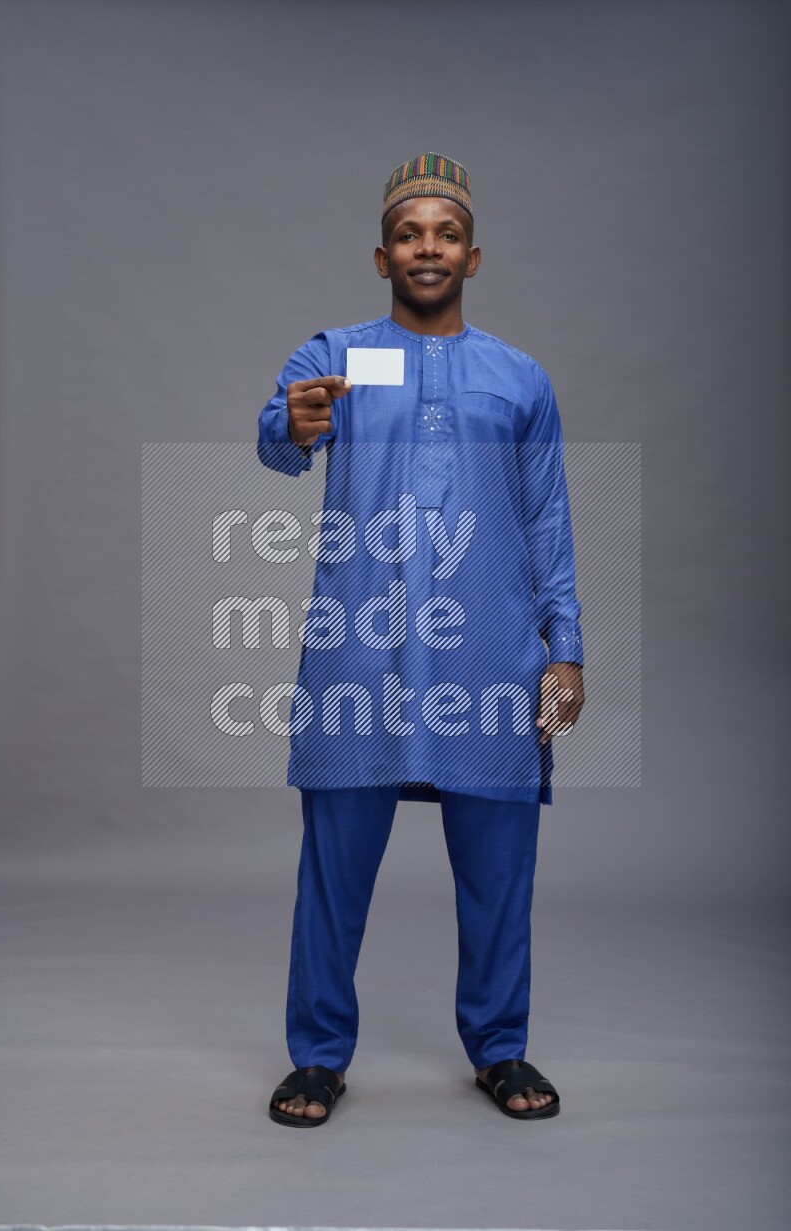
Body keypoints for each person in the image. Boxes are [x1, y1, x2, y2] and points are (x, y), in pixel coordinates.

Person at [257, 153, 585, 1125]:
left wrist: (563, 647)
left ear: (471, 256)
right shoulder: (342, 355)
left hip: (489, 655)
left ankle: (499, 1047)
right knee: (332, 868)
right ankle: (316, 1055)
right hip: (362, 651)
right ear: (380, 254)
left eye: (443, 233)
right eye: (408, 233)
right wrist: (297, 418)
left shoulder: (515, 376)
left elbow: (546, 523)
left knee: (498, 868)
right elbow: (281, 434)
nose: (426, 247)